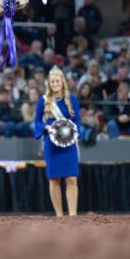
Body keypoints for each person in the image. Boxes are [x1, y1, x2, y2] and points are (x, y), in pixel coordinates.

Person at [34, 66, 81, 217]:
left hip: (69, 144)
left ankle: (73, 215)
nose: (55, 84)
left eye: (57, 81)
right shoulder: (43, 101)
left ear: (62, 82)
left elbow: (78, 121)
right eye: (52, 81)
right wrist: (45, 127)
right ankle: (59, 215)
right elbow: (36, 122)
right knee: (54, 179)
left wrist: (74, 131)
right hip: (51, 143)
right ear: (49, 83)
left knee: (71, 178)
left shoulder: (72, 99)